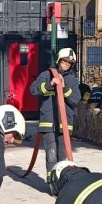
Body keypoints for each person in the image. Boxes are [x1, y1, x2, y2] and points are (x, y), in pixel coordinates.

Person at [30, 48, 80, 179]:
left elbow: (75, 100)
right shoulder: (46, 75)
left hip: (65, 124)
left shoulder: (72, 80)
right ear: (59, 60)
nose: (67, 64)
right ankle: (52, 181)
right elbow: (33, 90)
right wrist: (50, 84)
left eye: (69, 63)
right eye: (64, 61)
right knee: (51, 154)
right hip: (49, 122)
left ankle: (62, 180)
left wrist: (64, 89)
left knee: (63, 155)